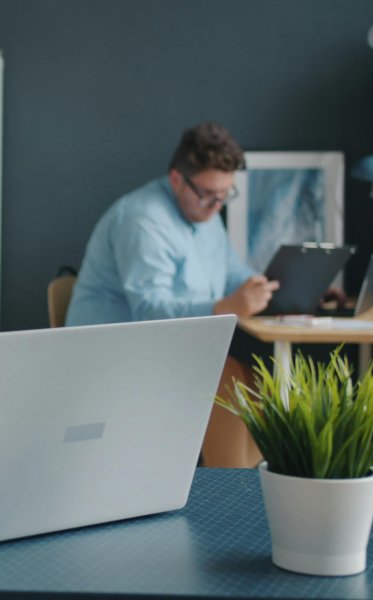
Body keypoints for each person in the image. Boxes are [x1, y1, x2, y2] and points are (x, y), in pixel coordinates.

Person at [64, 122, 277, 467]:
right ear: (177, 179)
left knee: (259, 383)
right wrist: (225, 307)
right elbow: (149, 311)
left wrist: (275, 286)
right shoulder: (141, 220)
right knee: (228, 378)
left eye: (225, 195)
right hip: (109, 356)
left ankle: (240, 484)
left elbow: (234, 273)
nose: (215, 205)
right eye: (208, 193)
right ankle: (234, 488)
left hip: (169, 351)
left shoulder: (206, 214)